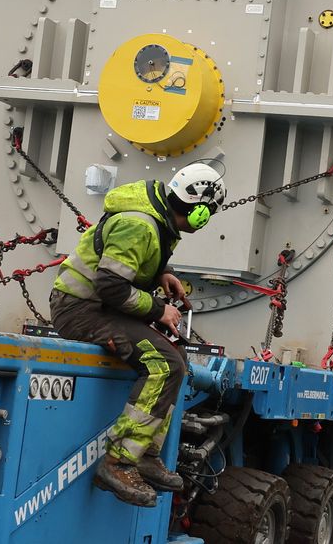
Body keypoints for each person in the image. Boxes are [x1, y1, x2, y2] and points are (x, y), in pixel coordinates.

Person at [49, 161, 226, 507]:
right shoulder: (138, 225)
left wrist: (164, 272)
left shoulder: (157, 216)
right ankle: (118, 462)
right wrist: (161, 310)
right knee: (164, 366)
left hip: (99, 307)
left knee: (179, 362)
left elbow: (140, 257)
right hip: (81, 310)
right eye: (208, 214)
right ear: (199, 212)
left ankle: (145, 454)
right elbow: (112, 286)